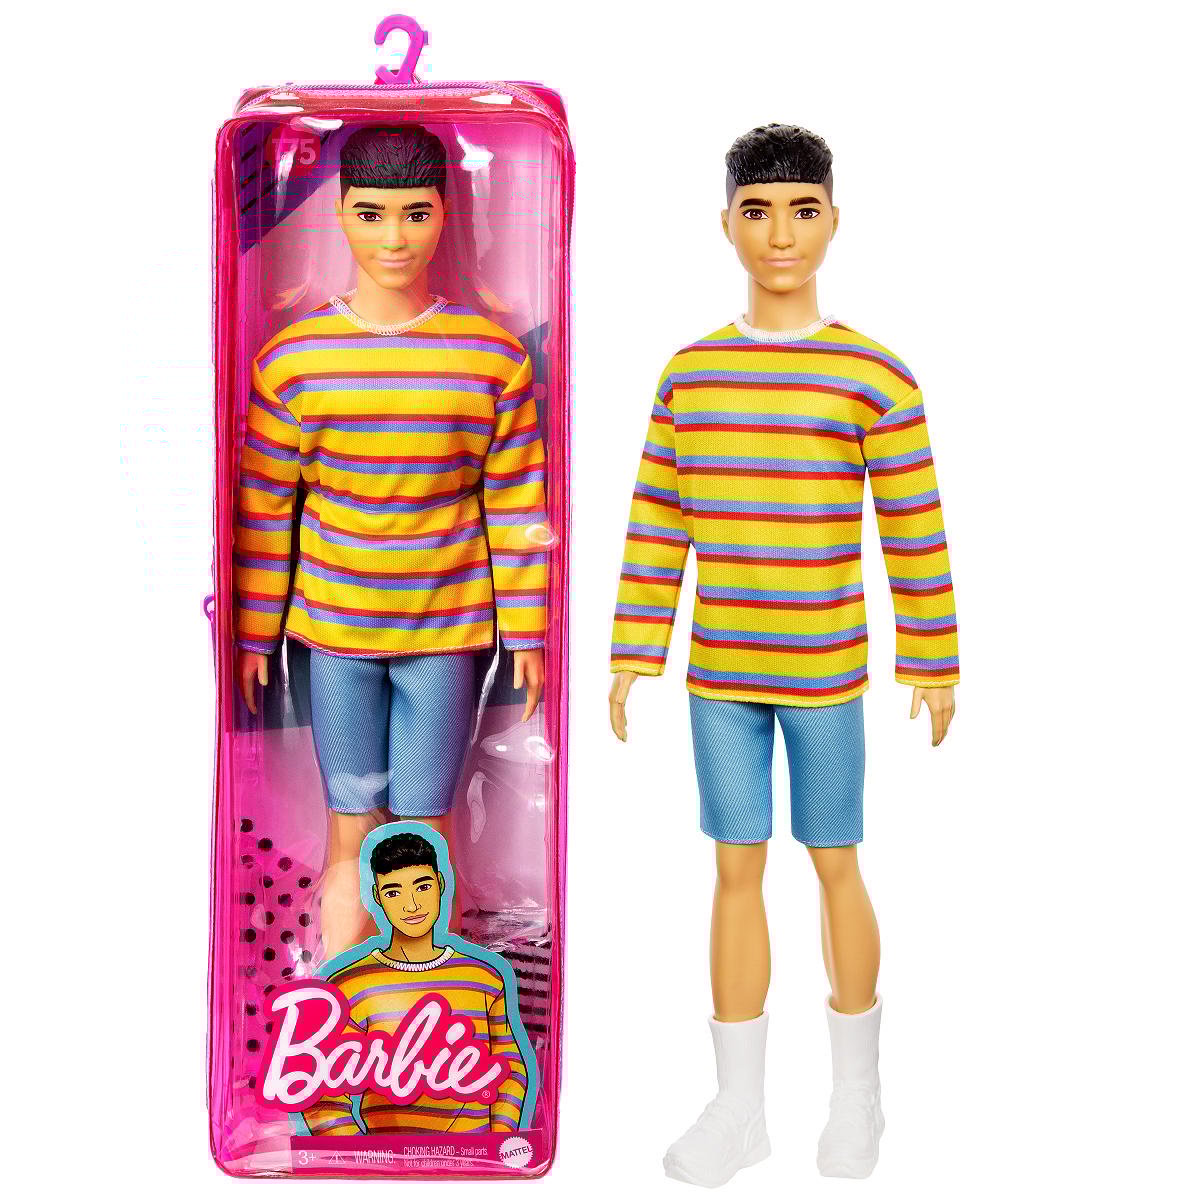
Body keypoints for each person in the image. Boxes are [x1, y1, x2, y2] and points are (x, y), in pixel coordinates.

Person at [609, 124, 959, 1185]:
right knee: (733, 867)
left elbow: (913, 525)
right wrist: (634, 647)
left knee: (836, 860)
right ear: (724, 224)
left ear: (834, 221)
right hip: (719, 676)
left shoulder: (872, 376)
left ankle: (858, 1094)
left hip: (825, 674)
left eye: (803, 211)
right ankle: (739, 1106)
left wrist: (933, 655)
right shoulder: (691, 376)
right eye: (757, 212)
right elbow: (657, 520)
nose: (780, 234)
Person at [233, 125, 549, 957]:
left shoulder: (489, 359)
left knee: (424, 830)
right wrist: (255, 633)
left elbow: (516, 503)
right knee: (350, 823)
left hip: (447, 635)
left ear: (447, 213)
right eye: (371, 214)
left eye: (416, 213)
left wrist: (527, 631)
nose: (395, 238)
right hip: (334, 635)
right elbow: (265, 509)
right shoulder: (294, 361)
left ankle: (430, 993)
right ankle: (340, 998)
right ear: (339, 215)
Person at [301, 830, 530, 1135]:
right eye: (393, 892)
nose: (411, 905)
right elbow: (323, 1094)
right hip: (382, 1157)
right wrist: (360, 1154)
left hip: (473, 1157)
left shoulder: (484, 978)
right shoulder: (351, 984)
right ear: (377, 896)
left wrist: (499, 1141)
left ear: (441, 884)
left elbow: (510, 1069)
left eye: (422, 887)